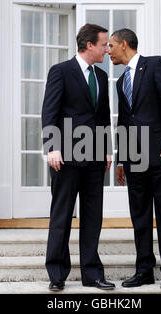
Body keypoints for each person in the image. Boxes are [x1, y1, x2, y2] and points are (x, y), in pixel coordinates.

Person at [41, 24, 115, 292]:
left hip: (95, 158)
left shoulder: (102, 76)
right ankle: (57, 274)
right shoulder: (60, 72)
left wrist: (107, 149)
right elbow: (49, 112)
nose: (108, 49)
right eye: (104, 45)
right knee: (61, 215)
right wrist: (52, 147)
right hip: (66, 158)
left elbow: (103, 117)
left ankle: (93, 274)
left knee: (93, 217)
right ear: (89, 45)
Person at [109, 28, 161, 291]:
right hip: (134, 159)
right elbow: (124, 122)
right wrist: (121, 160)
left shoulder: (155, 64)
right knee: (139, 216)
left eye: (111, 46)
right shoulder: (120, 82)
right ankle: (144, 271)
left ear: (124, 44)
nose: (108, 51)